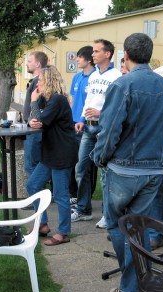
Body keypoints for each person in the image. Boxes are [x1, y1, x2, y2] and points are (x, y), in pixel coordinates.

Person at [91, 33, 163, 292]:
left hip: (124, 169)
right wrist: (162, 160)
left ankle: (131, 289)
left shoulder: (123, 84)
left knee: (120, 227)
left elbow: (109, 130)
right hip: (152, 170)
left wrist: (100, 157)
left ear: (125, 56)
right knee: (137, 230)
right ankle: (139, 283)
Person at [71, 39, 121, 228]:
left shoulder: (116, 76)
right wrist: (82, 120)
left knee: (105, 173)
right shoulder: (92, 76)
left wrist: (101, 113)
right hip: (88, 128)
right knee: (81, 169)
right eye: (92, 51)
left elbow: (118, 105)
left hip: (104, 128)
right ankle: (84, 209)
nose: (93, 54)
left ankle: (109, 215)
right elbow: (89, 100)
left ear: (107, 54)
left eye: (97, 51)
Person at [26, 65, 78, 246]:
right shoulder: (48, 100)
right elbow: (34, 119)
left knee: (60, 193)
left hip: (62, 153)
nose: (37, 83)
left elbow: (38, 121)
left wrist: (33, 101)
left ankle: (63, 232)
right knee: (33, 184)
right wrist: (36, 104)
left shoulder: (57, 100)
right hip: (50, 153)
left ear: (48, 81)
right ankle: (42, 224)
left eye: (40, 80)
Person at [69, 46, 95, 201]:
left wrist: (82, 120)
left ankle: (86, 196)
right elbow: (72, 101)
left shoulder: (95, 78)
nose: (77, 60)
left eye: (79, 57)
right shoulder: (77, 78)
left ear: (88, 59)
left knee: (87, 164)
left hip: (87, 125)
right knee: (75, 162)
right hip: (73, 125)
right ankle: (76, 194)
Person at [23, 51, 48, 178]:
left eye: (29, 61)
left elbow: (39, 106)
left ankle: (37, 196)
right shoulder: (37, 80)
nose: (27, 64)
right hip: (35, 128)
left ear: (38, 64)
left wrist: (30, 120)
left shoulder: (39, 81)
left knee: (32, 165)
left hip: (35, 129)